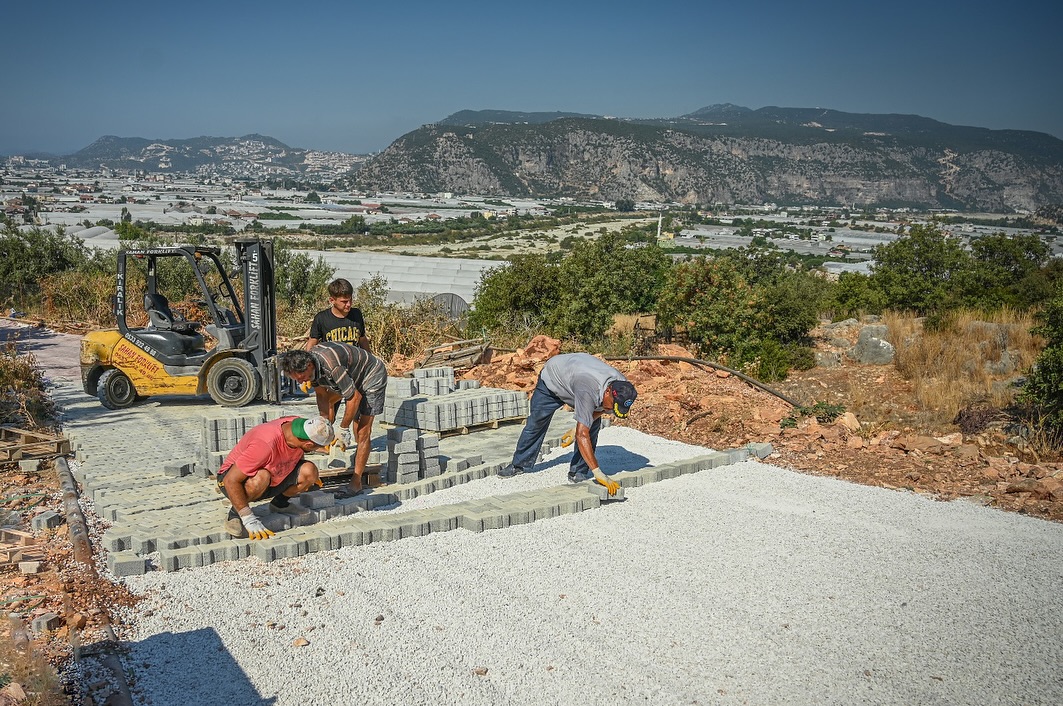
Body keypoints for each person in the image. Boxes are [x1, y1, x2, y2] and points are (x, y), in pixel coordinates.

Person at [498, 353, 637, 496]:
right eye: (613, 405)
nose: (612, 410)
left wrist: (583, 423)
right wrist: (598, 472)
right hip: (553, 381)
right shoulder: (588, 388)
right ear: (608, 392)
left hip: (576, 380)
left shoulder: (622, 388)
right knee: (537, 422)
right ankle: (518, 464)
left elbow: (605, 409)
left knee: (591, 428)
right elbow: (582, 434)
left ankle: (578, 472)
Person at [279, 344, 387, 497]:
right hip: (351, 377)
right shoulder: (312, 367)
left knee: (362, 431)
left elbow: (354, 397)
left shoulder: (331, 366)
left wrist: (343, 429)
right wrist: (324, 422)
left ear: (309, 365)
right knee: (335, 414)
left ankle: (356, 483)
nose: (301, 382)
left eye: (302, 377)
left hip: (371, 375)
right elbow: (322, 395)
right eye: (297, 379)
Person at [217, 415, 335, 540]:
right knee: (261, 477)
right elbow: (230, 480)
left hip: (274, 472)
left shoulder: (299, 425)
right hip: (231, 480)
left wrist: (310, 478)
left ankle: (279, 503)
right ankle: (235, 514)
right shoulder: (265, 445)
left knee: (309, 471)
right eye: (316, 447)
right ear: (309, 444)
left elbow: (297, 452)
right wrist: (248, 518)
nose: (318, 449)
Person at [305, 278, 370, 352]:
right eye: (344, 302)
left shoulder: (357, 314)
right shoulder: (321, 318)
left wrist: (371, 359)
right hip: (331, 361)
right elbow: (312, 342)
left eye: (350, 300)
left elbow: (362, 339)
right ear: (332, 300)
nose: (349, 304)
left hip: (353, 361)